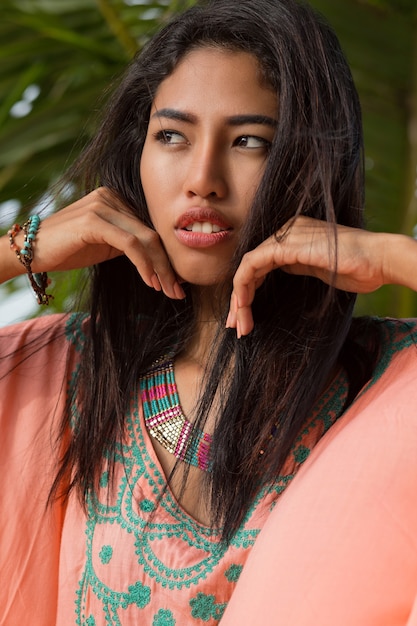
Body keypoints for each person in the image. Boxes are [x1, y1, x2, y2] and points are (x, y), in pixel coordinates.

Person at [1, 0, 417, 624]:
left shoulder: (389, 381)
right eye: (172, 135)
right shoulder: (65, 372)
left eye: (249, 141)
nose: (202, 178)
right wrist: (19, 249)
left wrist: (391, 256)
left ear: (309, 164)